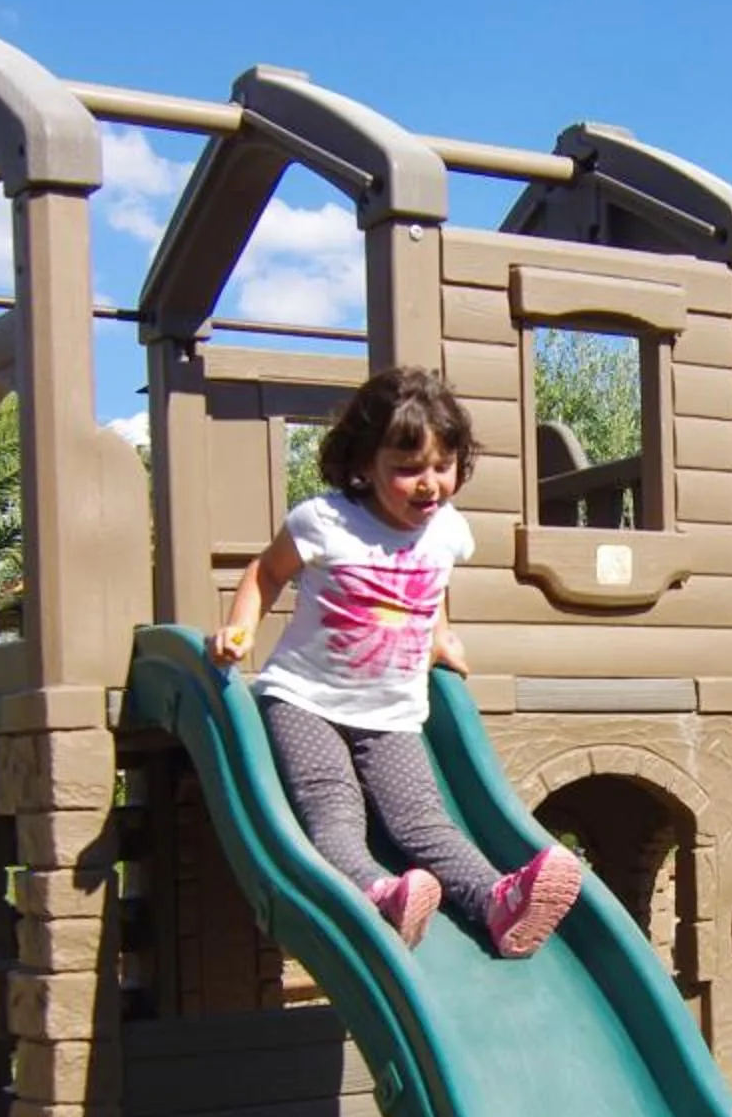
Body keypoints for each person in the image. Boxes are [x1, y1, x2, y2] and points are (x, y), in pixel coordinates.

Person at [211, 365, 582, 958]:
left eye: (442, 465)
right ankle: (376, 891)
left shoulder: (449, 533)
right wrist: (241, 626)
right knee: (334, 811)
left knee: (423, 822)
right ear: (364, 465)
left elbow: (424, 589)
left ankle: (498, 902)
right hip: (305, 700)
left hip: (393, 711)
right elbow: (266, 572)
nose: (428, 484)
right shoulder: (325, 523)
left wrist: (439, 635)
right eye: (407, 469)